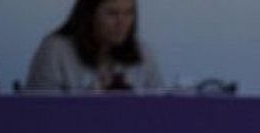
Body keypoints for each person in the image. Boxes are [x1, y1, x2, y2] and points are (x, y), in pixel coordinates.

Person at [25, 0, 163, 92]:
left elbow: (160, 110)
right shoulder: (55, 51)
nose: (122, 23)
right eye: (112, 14)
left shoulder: (142, 53)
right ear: (89, 15)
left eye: (128, 13)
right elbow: (40, 116)